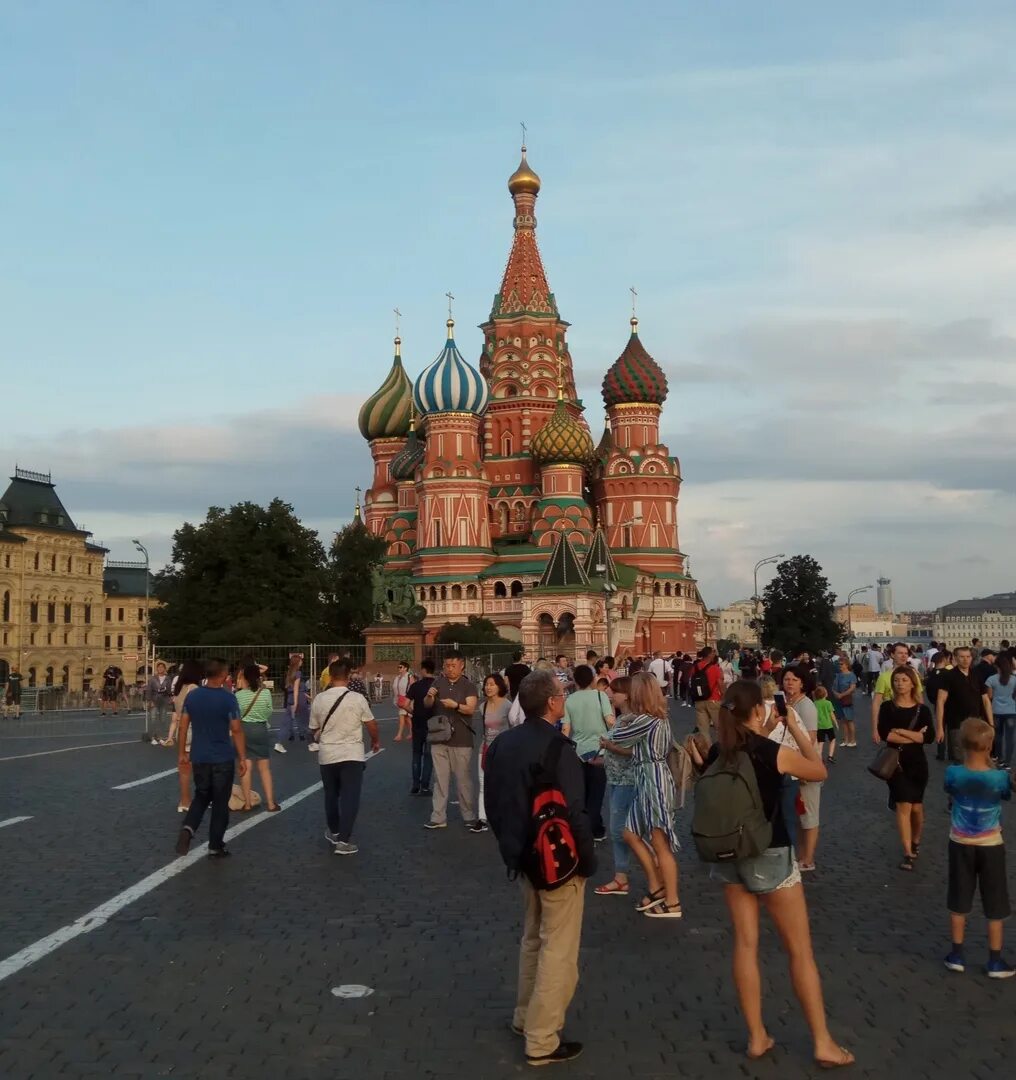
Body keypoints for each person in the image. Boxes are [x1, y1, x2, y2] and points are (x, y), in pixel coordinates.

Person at [689, 680, 850, 1068]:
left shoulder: (717, 750)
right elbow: (818, 771)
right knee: (799, 951)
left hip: (728, 854)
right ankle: (822, 1042)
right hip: (769, 851)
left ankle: (757, 1036)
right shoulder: (771, 752)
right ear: (758, 712)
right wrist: (792, 726)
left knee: (745, 944)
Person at [484, 668, 595, 1067]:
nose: (563, 698)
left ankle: (522, 1015)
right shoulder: (558, 748)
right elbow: (575, 811)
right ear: (551, 702)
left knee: (532, 938)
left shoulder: (502, 744)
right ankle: (542, 1038)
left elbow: (493, 803)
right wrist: (587, 859)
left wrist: (510, 846)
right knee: (558, 950)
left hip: (522, 857)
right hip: (558, 862)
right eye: (561, 694)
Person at [943, 718, 1014, 978]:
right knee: (995, 902)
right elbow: (1005, 795)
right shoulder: (999, 777)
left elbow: (949, 791)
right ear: (990, 745)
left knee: (959, 898)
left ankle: (957, 954)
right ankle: (995, 960)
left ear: (962, 744)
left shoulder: (953, 773)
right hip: (991, 843)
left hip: (960, 841)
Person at [608, 672, 682, 919]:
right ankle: (657, 886)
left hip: (653, 780)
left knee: (661, 844)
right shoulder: (657, 718)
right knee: (629, 833)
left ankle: (672, 901)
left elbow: (617, 737)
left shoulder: (646, 720)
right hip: (646, 778)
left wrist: (623, 719)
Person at [174, 659, 246, 858]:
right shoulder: (228, 698)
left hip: (199, 755)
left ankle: (188, 828)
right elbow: (236, 729)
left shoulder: (194, 696)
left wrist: (181, 752)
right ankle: (215, 844)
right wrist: (242, 757)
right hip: (222, 756)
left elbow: (183, 725)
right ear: (223, 676)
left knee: (201, 795)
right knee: (221, 802)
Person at [310, 658, 380, 856]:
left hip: (328, 754)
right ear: (349, 676)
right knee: (350, 797)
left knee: (331, 795)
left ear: (330, 676)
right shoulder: (357, 698)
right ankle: (344, 840)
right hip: (352, 754)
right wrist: (375, 741)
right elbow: (371, 723)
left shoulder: (319, 699)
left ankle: (334, 831)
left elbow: (313, 727)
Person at [877, 667, 934, 871]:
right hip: (896, 764)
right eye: (897, 680)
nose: (900, 683)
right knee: (903, 806)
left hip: (918, 765)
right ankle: (907, 851)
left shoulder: (923, 710)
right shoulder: (886, 708)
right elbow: (886, 735)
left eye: (904, 680)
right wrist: (913, 735)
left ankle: (916, 839)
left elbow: (928, 738)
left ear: (912, 683)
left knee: (917, 809)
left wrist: (900, 731)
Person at [423, 652, 480, 830]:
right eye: (447, 665)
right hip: (439, 738)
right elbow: (426, 705)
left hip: (461, 739)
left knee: (463, 780)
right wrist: (430, 696)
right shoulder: (438, 682)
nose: (449, 669)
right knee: (440, 780)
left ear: (461, 665)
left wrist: (455, 705)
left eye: (453, 666)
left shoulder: (468, 685)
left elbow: (471, 709)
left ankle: (468, 814)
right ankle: (438, 816)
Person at [562, 664, 614, 843]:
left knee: (582, 793)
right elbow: (610, 721)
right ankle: (593, 828)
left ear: (575, 680)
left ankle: (592, 826)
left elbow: (566, 729)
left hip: (578, 752)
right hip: (599, 751)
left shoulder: (569, 701)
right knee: (597, 793)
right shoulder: (601, 696)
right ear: (593, 679)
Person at [595, 676, 636, 896]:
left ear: (627, 694)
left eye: (615, 692)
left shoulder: (632, 720)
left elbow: (632, 750)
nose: (610, 695)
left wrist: (608, 745)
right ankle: (621, 876)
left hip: (626, 781)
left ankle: (655, 865)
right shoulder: (622, 719)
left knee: (621, 831)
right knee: (620, 830)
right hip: (616, 778)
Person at [783, 665, 820, 872]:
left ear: (803, 683)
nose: (789, 682)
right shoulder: (789, 703)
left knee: (809, 813)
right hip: (793, 764)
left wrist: (803, 768)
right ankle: (800, 854)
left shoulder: (806, 706)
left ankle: (808, 858)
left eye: (794, 680)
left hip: (805, 765)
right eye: (787, 679)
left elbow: (810, 738)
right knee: (797, 813)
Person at [234, 664, 280, 812]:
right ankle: (271, 803)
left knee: (245, 767)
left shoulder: (238, 695)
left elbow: (236, 715)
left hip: (244, 730)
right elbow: (269, 711)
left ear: (244, 677)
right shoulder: (265, 693)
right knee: (264, 769)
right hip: (260, 729)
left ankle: (247, 803)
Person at [936, 646, 993, 764]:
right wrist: (940, 727)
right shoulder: (948, 676)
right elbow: (940, 701)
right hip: (957, 724)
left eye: (968, 656)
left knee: (977, 757)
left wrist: (991, 724)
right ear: (955, 658)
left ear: (971, 658)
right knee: (960, 759)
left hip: (976, 723)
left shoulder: (976, 675)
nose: (965, 659)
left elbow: (985, 700)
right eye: (962, 657)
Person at [475, 672, 510, 833]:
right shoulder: (483, 707)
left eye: (492, 684)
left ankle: (504, 815)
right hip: (486, 748)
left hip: (503, 751)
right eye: (486, 684)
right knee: (483, 784)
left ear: (499, 686)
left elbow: (513, 728)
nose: (488, 687)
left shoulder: (507, 705)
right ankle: (482, 819)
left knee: (503, 785)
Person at [167, 659, 204, 813]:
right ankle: (202, 799)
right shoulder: (194, 688)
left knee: (184, 768)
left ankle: (184, 801)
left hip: (181, 730)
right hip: (193, 730)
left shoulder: (179, 688)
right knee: (202, 768)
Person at [871, 643, 923, 741]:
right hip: (892, 723)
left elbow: (919, 698)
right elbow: (876, 703)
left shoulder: (913, 675)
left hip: (911, 721)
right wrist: (875, 728)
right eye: (900, 653)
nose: (904, 656)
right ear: (892, 655)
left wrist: (922, 721)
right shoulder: (884, 677)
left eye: (906, 653)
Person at [406, 657, 436, 796]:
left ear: (423, 670)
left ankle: (415, 784)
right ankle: (425, 785)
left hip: (417, 723)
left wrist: (413, 711)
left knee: (416, 754)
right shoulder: (437, 685)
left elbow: (405, 704)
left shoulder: (415, 686)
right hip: (433, 724)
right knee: (429, 756)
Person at [985, 653, 1016, 768]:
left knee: (997, 736)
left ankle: (1000, 759)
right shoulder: (1014, 679)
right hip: (1012, 711)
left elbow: (989, 696)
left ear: (996, 666)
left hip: (996, 711)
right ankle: (1007, 762)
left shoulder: (991, 679)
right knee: (1010, 738)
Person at [276, 653, 310, 754]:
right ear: (298, 662)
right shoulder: (298, 673)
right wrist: (296, 702)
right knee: (306, 721)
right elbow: (296, 689)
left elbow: (292, 688)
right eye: (300, 660)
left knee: (287, 722)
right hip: (298, 699)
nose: (302, 662)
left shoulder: (289, 673)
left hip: (290, 698)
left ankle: (279, 742)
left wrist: (307, 696)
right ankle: (313, 742)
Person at [692, 646, 724, 738]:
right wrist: (723, 696)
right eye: (713, 652)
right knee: (720, 728)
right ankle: (720, 749)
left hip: (699, 700)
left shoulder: (695, 667)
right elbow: (720, 684)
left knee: (703, 730)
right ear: (709, 655)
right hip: (713, 700)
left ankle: (706, 749)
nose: (714, 654)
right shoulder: (715, 668)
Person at [831, 655, 858, 748]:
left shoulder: (851, 675)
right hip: (838, 700)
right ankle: (846, 740)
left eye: (841, 664)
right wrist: (836, 694)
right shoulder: (838, 675)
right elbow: (833, 687)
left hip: (847, 699)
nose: (840, 666)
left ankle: (853, 740)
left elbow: (852, 688)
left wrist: (842, 694)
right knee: (843, 721)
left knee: (849, 720)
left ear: (846, 665)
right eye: (839, 664)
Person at [146, 662, 175, 745]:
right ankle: (152, 737)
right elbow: (149, 691)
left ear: (164, 669)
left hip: (164, 701)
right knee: (153, 719)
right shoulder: (152, 679)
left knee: (163, 719)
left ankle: (160, 737)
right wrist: (150, 701)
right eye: (159, 667)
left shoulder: (168, 679)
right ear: (157, 669)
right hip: (154, 700)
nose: (160, 669)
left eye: (162, 667)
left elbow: (169, 691)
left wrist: (171, 697)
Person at [392, 660, 414, 743]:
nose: (399, 668)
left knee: (401, 716)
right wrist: (396, 699)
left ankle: (399, 734)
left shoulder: (409, 677)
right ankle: (412, 732)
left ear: (406, 668)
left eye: (400, 667)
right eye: (398, 667)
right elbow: (395, 689)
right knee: (407, 718)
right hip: (399, 699)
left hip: (407, 699)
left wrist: (409, 698)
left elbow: (413, 687)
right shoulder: (397, 677)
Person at [813, 686, 837, 764]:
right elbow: (831, 714)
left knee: (821, 742)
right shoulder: (828, 703)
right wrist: (836, 723)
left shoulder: (815, 703)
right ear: (825, 694)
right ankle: (830, 756)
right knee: (832, 740)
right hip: (828, 725)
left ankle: (819, 758)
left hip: (819, 726)